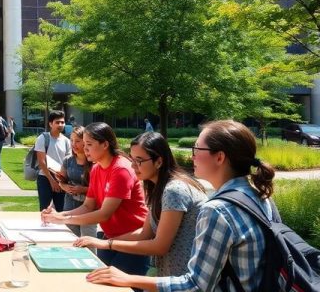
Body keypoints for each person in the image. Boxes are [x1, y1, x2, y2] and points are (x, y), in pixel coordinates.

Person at [83, 120, 278, 291]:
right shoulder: (261, 197)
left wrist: (128, 279)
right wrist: (107, 242)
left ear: (219, 157)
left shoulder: (216, 209)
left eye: (196, 149)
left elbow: (196, 286)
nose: (192, 156)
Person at [73, 132, 207, 277]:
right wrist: (105, 241)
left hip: (187, 278)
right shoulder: (157, 188)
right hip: (170, 274)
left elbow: (159, 246)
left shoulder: (174, 190)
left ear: (159, 162)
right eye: (132, 159)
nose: (133, 166)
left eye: (139, 161)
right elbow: (145, 233)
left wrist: (107, 244)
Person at [41, 122, 150, 281]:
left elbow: (104, 214)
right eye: (83, 144)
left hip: (131, 240)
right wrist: (59, 214)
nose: (84, 149)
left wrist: (63, 219)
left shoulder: (121, 169)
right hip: (109, 238)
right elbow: (88, 205)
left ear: (105, 144)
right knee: (100, 283)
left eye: (89, 144)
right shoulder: (97, 168)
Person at [55, 126, 97, 239]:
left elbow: (100, 189)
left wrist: (83, 189)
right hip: (70, 203)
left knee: (88, 237)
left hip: (90, 205)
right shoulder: (68, 160)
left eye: (77, 141)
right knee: (70, 237)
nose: (73, 144)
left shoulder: (95, 162)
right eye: (71, 140)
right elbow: (62, 182)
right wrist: (64, 186)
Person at [34, 110, 71, 212]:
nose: (60, 124)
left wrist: (60, 181)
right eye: (57, 122)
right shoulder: (43, 138)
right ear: (51, 124)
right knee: (45, 209)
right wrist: (52, 181)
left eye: (62, 122)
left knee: (61, 209)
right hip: (45, 178)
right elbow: (41, 162)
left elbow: (68, 162)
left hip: (61, 178)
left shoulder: (67, 141)